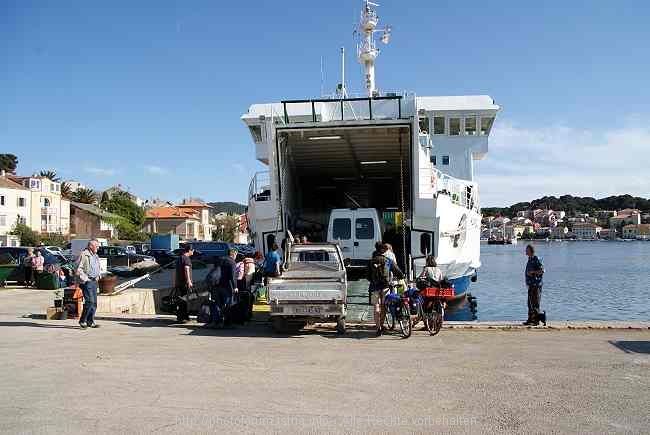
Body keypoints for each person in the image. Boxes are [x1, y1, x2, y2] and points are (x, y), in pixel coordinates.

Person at [368, 243, 404, 336]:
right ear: (384, 251)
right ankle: (382, 325)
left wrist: (372, 280)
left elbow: (367, 275)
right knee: (384, 306)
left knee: (376, 306)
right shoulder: (388, 260)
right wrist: (401, 276)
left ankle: (378, 328)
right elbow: (398, 272)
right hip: (385, 286)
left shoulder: (372, 261)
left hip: (374, 286)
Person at [76, 239, 102, 329]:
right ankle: (82, 321)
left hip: (94, 281)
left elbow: (97, 267)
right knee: (89, 301)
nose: (98, 248)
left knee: (94, 303)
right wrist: (85, 279)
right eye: (97, 246)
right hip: (87, 282)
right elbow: (78, 269)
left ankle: (90, 321)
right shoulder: (84, 254)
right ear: (91, 246)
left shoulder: (95, 255)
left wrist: (99, 275)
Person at [216, 248, 238, 325]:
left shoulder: (220, 259)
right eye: (236, 255)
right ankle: (227, 321)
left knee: (219, 303)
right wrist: (235, 287)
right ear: (233, 254)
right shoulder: (232, 262)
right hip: (227, 286)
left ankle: (218, 320)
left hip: (217, 284)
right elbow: (233, 276)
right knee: (229, 303)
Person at [524, 244, 545, 326]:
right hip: (530, 284)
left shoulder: (536, 259)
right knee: (530, 303)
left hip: (536, 284)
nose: (525, 251)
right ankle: (530, 319)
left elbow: (542, 270)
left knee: (535, 302)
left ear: (530, 250)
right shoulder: (530, 259)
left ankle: (536, 320)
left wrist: (532, 272)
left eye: (526, 250)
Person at [174, 244, 194, 323]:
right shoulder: (186, 259)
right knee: (184, 300)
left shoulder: (179, 258)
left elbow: (176, 271)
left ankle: (183, 316)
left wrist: (175, 282)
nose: (193, 251)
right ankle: (182, 317)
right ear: (189, 250)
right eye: (192, 250)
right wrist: (189, 281)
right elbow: (186, 269)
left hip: (179, 282)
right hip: (184, 283)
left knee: (181, 300)